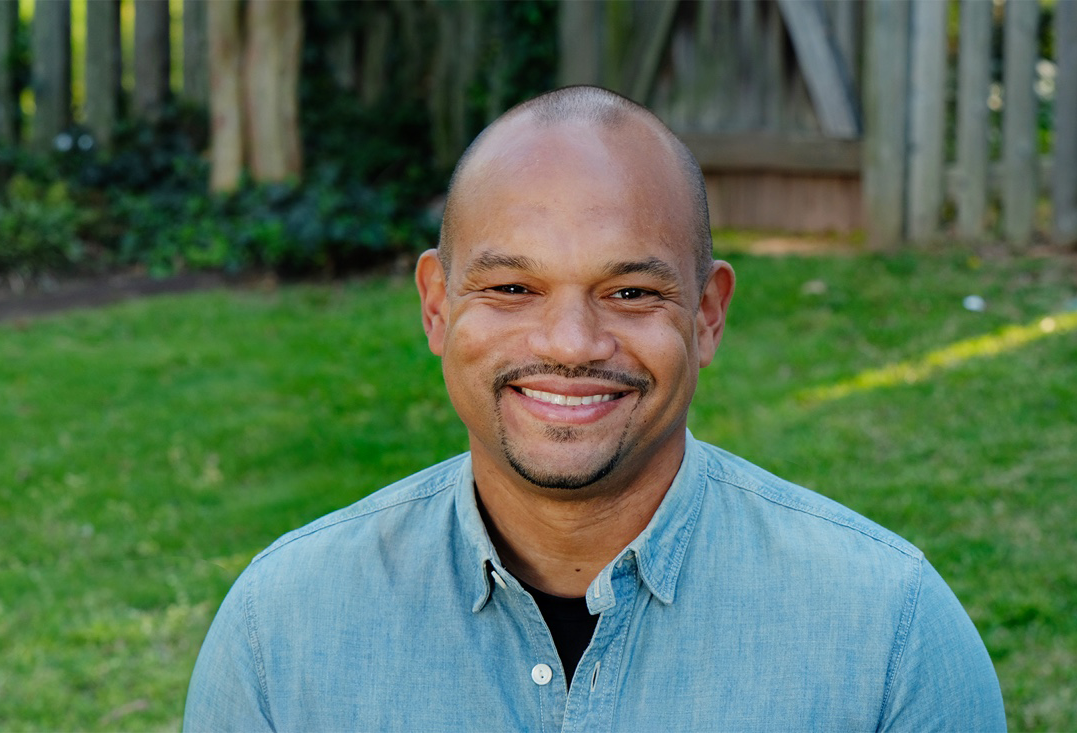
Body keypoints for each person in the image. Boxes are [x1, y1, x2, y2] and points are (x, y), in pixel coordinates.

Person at [184, 86, 1006, 731]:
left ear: (707, 314)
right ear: (436, 307)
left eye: (629, 290)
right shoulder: (281, 630)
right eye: (512, 287)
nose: (572, 341)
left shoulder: (888, 635)